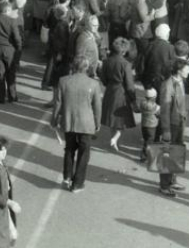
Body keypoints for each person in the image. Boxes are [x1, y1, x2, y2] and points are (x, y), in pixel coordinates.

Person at [53, 57, 102, 193]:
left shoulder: (63, 81)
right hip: (86, 124)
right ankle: (77, 184)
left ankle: (67, 176)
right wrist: (97, 123)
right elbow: (97, 107)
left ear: (72, 66)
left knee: (69, 149)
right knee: (84, 153)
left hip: (68, 122)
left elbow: (58, 103)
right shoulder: (93, 84)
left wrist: (54, 120)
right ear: (87, 68)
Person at [158, 60, 189, 198]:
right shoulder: (168, 85)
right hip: (171, 124)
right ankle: (164, 185)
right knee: (168, 155)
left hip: (179, 122)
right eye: (187, 69)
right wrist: (166, 130)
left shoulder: (181, 82)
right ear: (179, 70)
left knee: (176, 153)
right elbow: (165, 110)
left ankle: (172, 180)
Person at [101, 37, 137, 152]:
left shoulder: (107, 61)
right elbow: (130, 85)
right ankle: (115, 139)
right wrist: (133, 99)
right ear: (124, 51)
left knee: (112, 120)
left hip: (110, 91)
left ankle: (112, 139)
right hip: (121, 93)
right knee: (122, 122)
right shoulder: (126, 64)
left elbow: (103, 79)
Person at [0, 1, 23, 104]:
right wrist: (19, 48)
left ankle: (0, 97)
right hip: (10, 49)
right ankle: (12, 95)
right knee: (11, 73)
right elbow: (17, 38)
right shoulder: (12, 21)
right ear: (6, 10)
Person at [139, 88, 160, 162]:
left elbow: (140, 110)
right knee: (149, 141)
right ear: (154, 97)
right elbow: (159, 115)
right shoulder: (156, 107)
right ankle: (145, 155)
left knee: (146, 139)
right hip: (152, 127)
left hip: (144, 125)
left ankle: (146, 154)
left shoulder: (142, 103)